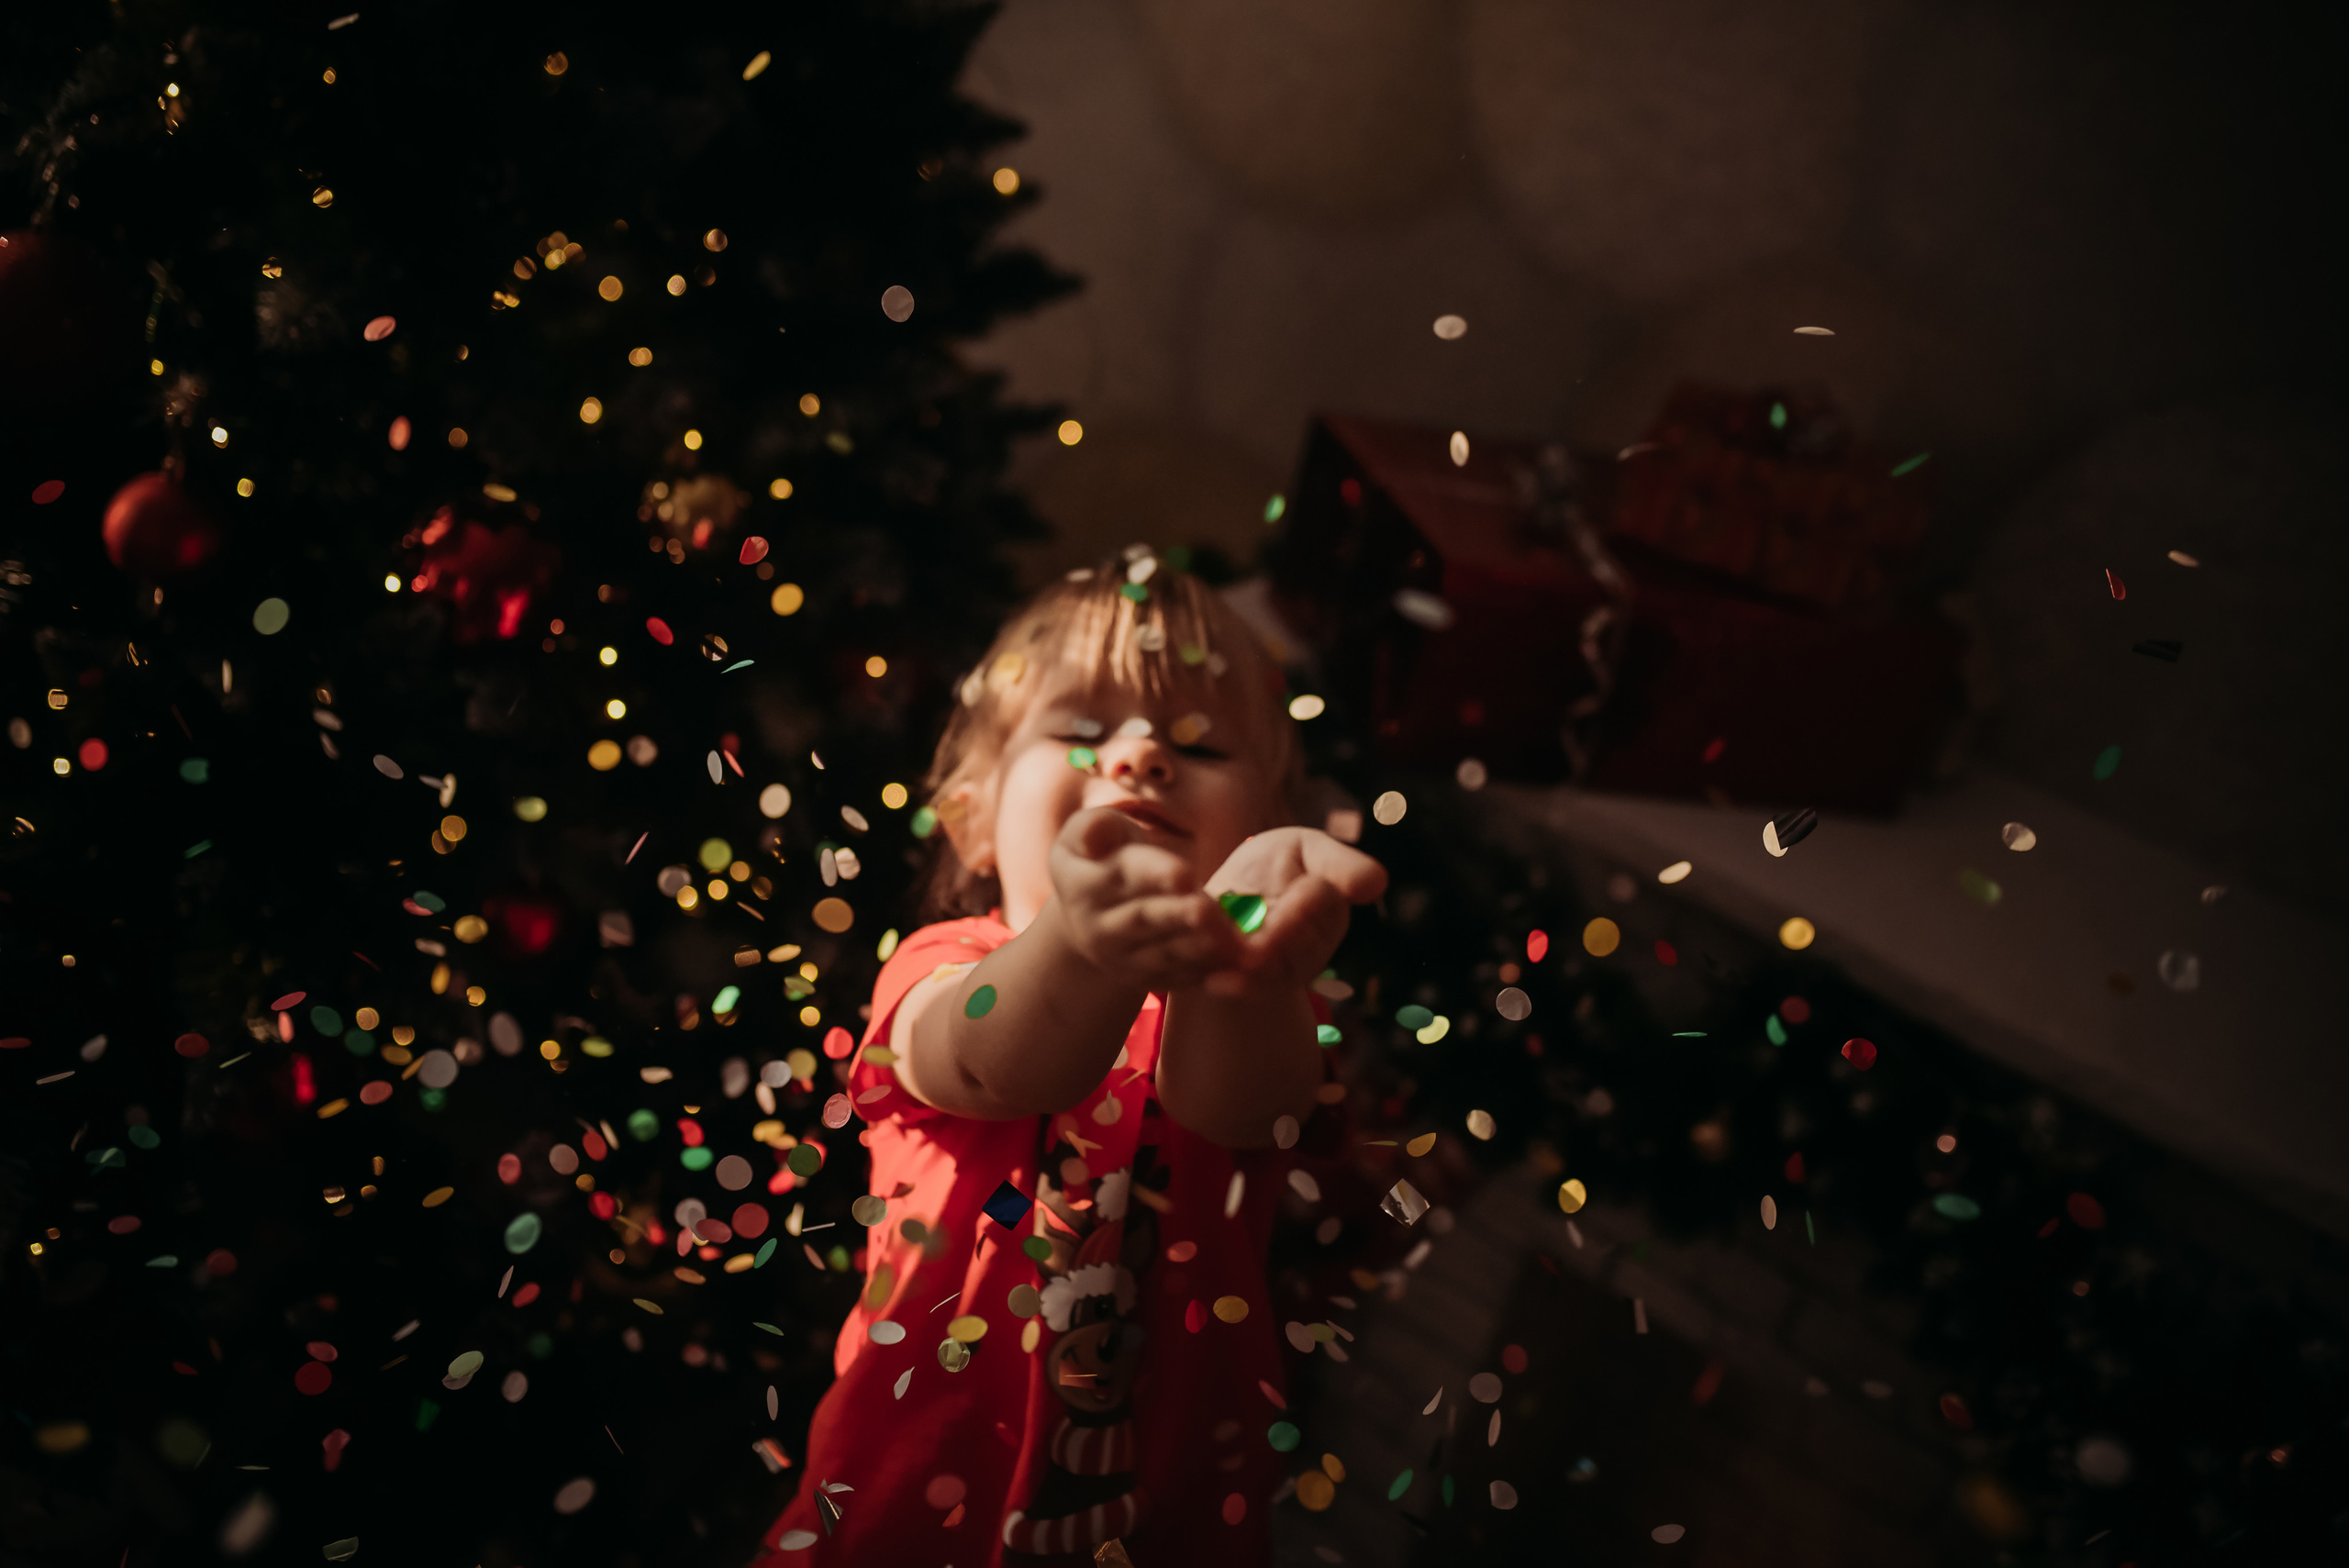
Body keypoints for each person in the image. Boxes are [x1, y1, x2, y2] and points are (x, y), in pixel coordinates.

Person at [754, 562, 1386, 1564]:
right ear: (969, 813)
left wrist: (1247, 956)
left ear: (1265, 825)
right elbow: (995, 1058)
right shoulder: (941, 964)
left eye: (1202, 744)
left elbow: (1240, 1110)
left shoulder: (1259, 1009)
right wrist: (1084, 943)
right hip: (897, 1526)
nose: (1137, 753)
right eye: (1083, 733)